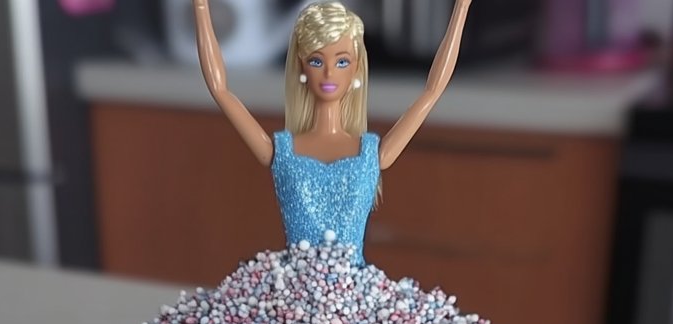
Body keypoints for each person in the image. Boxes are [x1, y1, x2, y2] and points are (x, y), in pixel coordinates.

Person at [191, 0, 473, 261]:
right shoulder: (280, 151)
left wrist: (461, 7)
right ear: (302, 67)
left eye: (341, 62)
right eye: (317, 61)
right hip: (292, 289)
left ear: (356, 69)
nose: (329, 73)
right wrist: (201, 8)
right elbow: (220, 89)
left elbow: (432, 90)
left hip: (353, 290)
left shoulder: (372, 154)